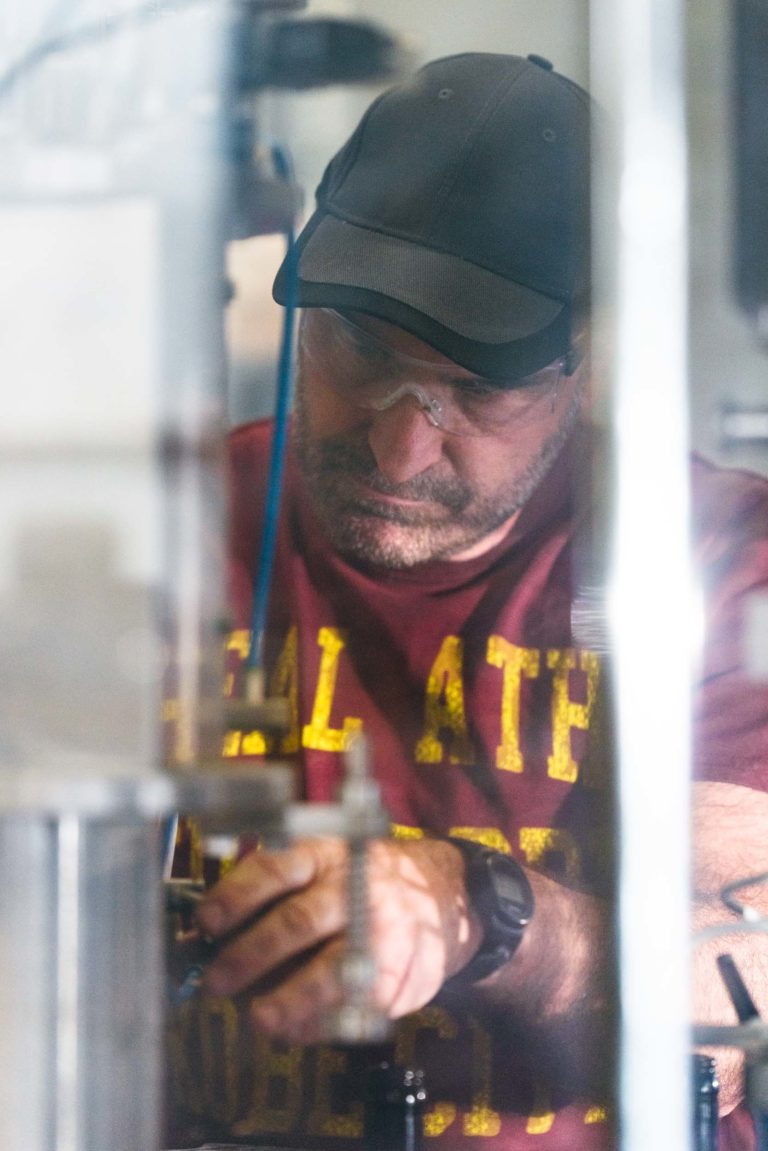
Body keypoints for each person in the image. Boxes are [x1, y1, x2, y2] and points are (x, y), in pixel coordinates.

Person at [165, 53, 768, 1150]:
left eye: (478, 389)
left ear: (584, 359)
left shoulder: (719, 562)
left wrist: (473, 912)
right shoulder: (160, 523)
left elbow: (733, 986)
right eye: (362, 349)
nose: (400, 443)